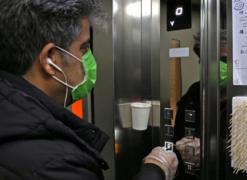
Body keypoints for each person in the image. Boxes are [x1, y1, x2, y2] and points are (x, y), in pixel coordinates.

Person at [0, 0, 177, 179]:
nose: (88, 58)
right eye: (83, 48)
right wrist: (156, 170)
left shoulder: (12, 114)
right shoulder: (57, 162)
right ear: (50, 60)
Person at [173, 31, 228, 180]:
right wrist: (181, 149)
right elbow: (176, 139)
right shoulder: (192, 94)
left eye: (224, 60)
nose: (216, 67)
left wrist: (213, 149)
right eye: (209, 60)